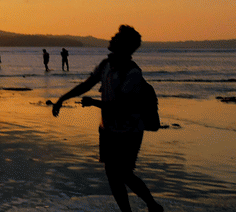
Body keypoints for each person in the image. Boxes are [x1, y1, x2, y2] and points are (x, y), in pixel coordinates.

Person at [52, 25, 163, 212]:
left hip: (130, 131)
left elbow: (122, 106)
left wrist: (94, 103)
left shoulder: (133, 73)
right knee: (113, 175)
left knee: (124, 174)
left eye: (117, 36)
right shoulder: (106, 65)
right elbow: (86, 84)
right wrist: (62, 98)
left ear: (125, 45)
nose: (112, 37)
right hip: (108, 130)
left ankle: (153, 205)